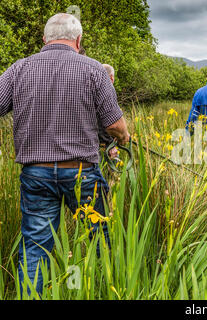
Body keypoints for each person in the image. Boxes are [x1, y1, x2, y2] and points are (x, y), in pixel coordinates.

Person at [0, 13, 130, 296]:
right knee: (99, 240)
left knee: (35, 246)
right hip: (82, 172)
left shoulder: (18, 69)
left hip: (35, 172)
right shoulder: (94, 70)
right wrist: (124, 138)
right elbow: (114, 124)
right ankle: (102, 291)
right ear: (79, 40)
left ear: (44, 39)